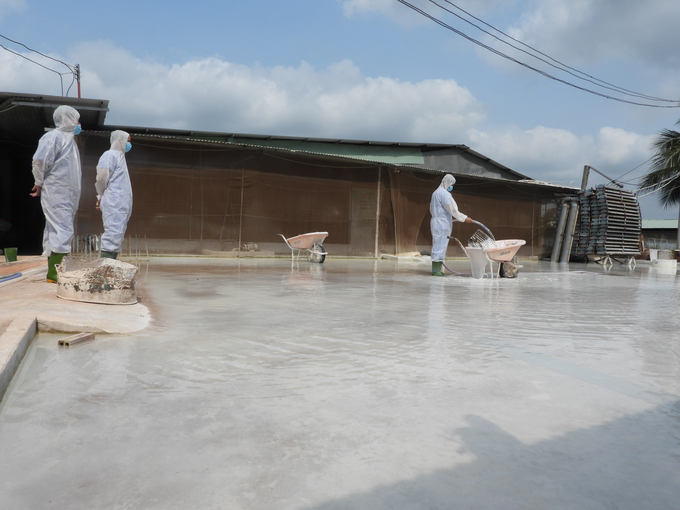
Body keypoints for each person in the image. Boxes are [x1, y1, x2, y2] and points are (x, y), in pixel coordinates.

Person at [30, 105, 82, 283]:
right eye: (76, 119)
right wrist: (38, 182)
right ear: (67, 119)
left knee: (56, 229)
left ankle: (54, 270)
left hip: (67, 193)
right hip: (57, 191)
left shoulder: (71, 142)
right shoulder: (53, 137)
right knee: (63, 229)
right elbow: (40, 160)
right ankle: (55, 273)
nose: (79, 124)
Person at [95, 130, 133, 259]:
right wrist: (100, 196)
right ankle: (105, 267)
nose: (129, 145)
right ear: (120, 141)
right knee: (112, 234)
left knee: (117, 236)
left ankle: (111, 266)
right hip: (114, 201)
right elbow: (101, 178)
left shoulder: (120, 157)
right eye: (128, 141)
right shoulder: (110, 155)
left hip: (120, 203)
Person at [430, 174, 474, 276]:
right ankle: (436, 271)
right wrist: (464, 218)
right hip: (442, 223)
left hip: (435, 222)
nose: (452, 187)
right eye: (452, 184)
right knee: (440, 246)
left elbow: (432, 209)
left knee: (438, 245)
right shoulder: (444, 194)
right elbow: (453, 210)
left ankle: (437, 270)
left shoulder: (435, 193)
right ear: (448, 183)